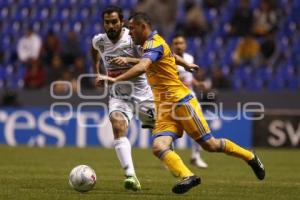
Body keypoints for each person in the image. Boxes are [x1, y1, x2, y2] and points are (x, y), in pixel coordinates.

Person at [98, 12, 265, 194]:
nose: (129, 33)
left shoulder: (154, 43)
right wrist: (185, 64)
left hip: (181, 102)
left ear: (143, 27)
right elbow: (167, 56)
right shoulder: (150, 45)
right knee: (158, 147)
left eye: (132, 28)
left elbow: (143, 66)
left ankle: (250, 157)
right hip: (164, 108)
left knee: (210, 145)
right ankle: (188, 176)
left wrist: (115, 79)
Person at [91, 6, 155, 192]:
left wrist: (129, 61)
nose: (110, 26)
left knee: (161, 134)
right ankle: (130, 175)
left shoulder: (132, 39)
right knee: (117, 126)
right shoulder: (99, 41)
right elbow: (94, 50)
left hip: (143, 95)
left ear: (121, 22)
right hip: (118, 96)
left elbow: (149, 61)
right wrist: (97, 71)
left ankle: (173, 161)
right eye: (107, 22)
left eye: (114, 22)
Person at [171, 34, 208, 168]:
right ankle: (170, 158)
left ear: (185, 45)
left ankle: (195, 156)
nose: (179, 45)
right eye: (176, 43)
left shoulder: (189, 58)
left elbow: (188, 76)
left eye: (181, 43)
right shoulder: (169, 59)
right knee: (172, 127)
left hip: (189, 96)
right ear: (172, 45)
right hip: (173, 97)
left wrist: (197, 84)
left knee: (199, 126)